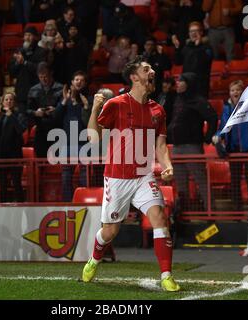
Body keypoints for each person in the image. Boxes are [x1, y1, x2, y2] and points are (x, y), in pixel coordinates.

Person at [83, 56, 180, 292]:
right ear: (134, 77)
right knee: (110, 231)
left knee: (159, 217)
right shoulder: (115, 104)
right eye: (146, 69)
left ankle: (166, 275)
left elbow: (160, 146)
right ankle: (94, 259)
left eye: (152, 68)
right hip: (117, 178)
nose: (152, 71)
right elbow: (92, 137)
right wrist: (95, 108)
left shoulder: (158, 110)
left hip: (144, 176)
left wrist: (167, 165)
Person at [168, 72, 217, 211]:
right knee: (180, 182)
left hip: (192, 147)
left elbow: (212, 118)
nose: (177, 83)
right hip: (177, 147)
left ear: (188, 84)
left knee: (200, 179)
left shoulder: (199, 101)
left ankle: (210, 211)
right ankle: (184, 213)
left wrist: (207, 138)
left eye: (181, 81)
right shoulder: (178, 99)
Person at [212, 80, 248, 210]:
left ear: (242, 91)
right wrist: (218, 136)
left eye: (237, 89)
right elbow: (224, 127)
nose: (235, 92)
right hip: (233, 149)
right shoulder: (227, 108)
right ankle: (237, 209)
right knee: (235, 181)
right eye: (232, 90)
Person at [54, 70, 91, 202]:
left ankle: (83, 201)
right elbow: (56, 118)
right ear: (72, 82)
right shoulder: (64, 99)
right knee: (66, 178)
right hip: (67, 144)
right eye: (76, 80)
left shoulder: (87, 99)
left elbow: (87, 122)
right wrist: (64, 100)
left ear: (85, 83)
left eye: (81, 80)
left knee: (84, 178)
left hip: (83, 145)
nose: (79, 82)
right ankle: (68, 204)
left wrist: (85, 106)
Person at [0, 92, 27, 202]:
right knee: (3, 185)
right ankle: (3, 208)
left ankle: (20, 206)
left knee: (16, 183)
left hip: (15, 154)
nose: (8, 101)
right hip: (1, 155)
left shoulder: (19, 115)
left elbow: (20, 130)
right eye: (6, 100)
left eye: (11, 100)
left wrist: (12, 116)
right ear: (2, 102)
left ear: (14, 102)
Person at [26, 62, 63, 158]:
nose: (43, 79)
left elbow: (65, 109)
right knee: (40, 157)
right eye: (41, 77)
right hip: (41, 129)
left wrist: (56, 110)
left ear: (51, 74)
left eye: (45, 76)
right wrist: (36, 112)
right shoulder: (33, 90)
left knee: (57, 159)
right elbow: (27, 111)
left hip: (57, 128)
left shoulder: (60, 88)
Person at [8, 26, 48, 114]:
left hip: (36, 89)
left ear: (35, 37)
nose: (27, 38)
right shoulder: (19, 51)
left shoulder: (41, 51)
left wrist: (25, 62)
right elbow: (11, 71)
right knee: (22, 117)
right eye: (25, 35)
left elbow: (40, 69)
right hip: (21, 91)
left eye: (30, 35)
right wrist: (18, 63)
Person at [175, 21, 213, 98]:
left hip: (201, 84)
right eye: (191, 31)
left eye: (196, 31)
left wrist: (197, 46)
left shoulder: (207, 47)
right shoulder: (186, 47)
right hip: (186, 83)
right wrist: (177, 48)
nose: (193, 33)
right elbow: (178, 62)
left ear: (201, 32)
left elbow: (205, 61)